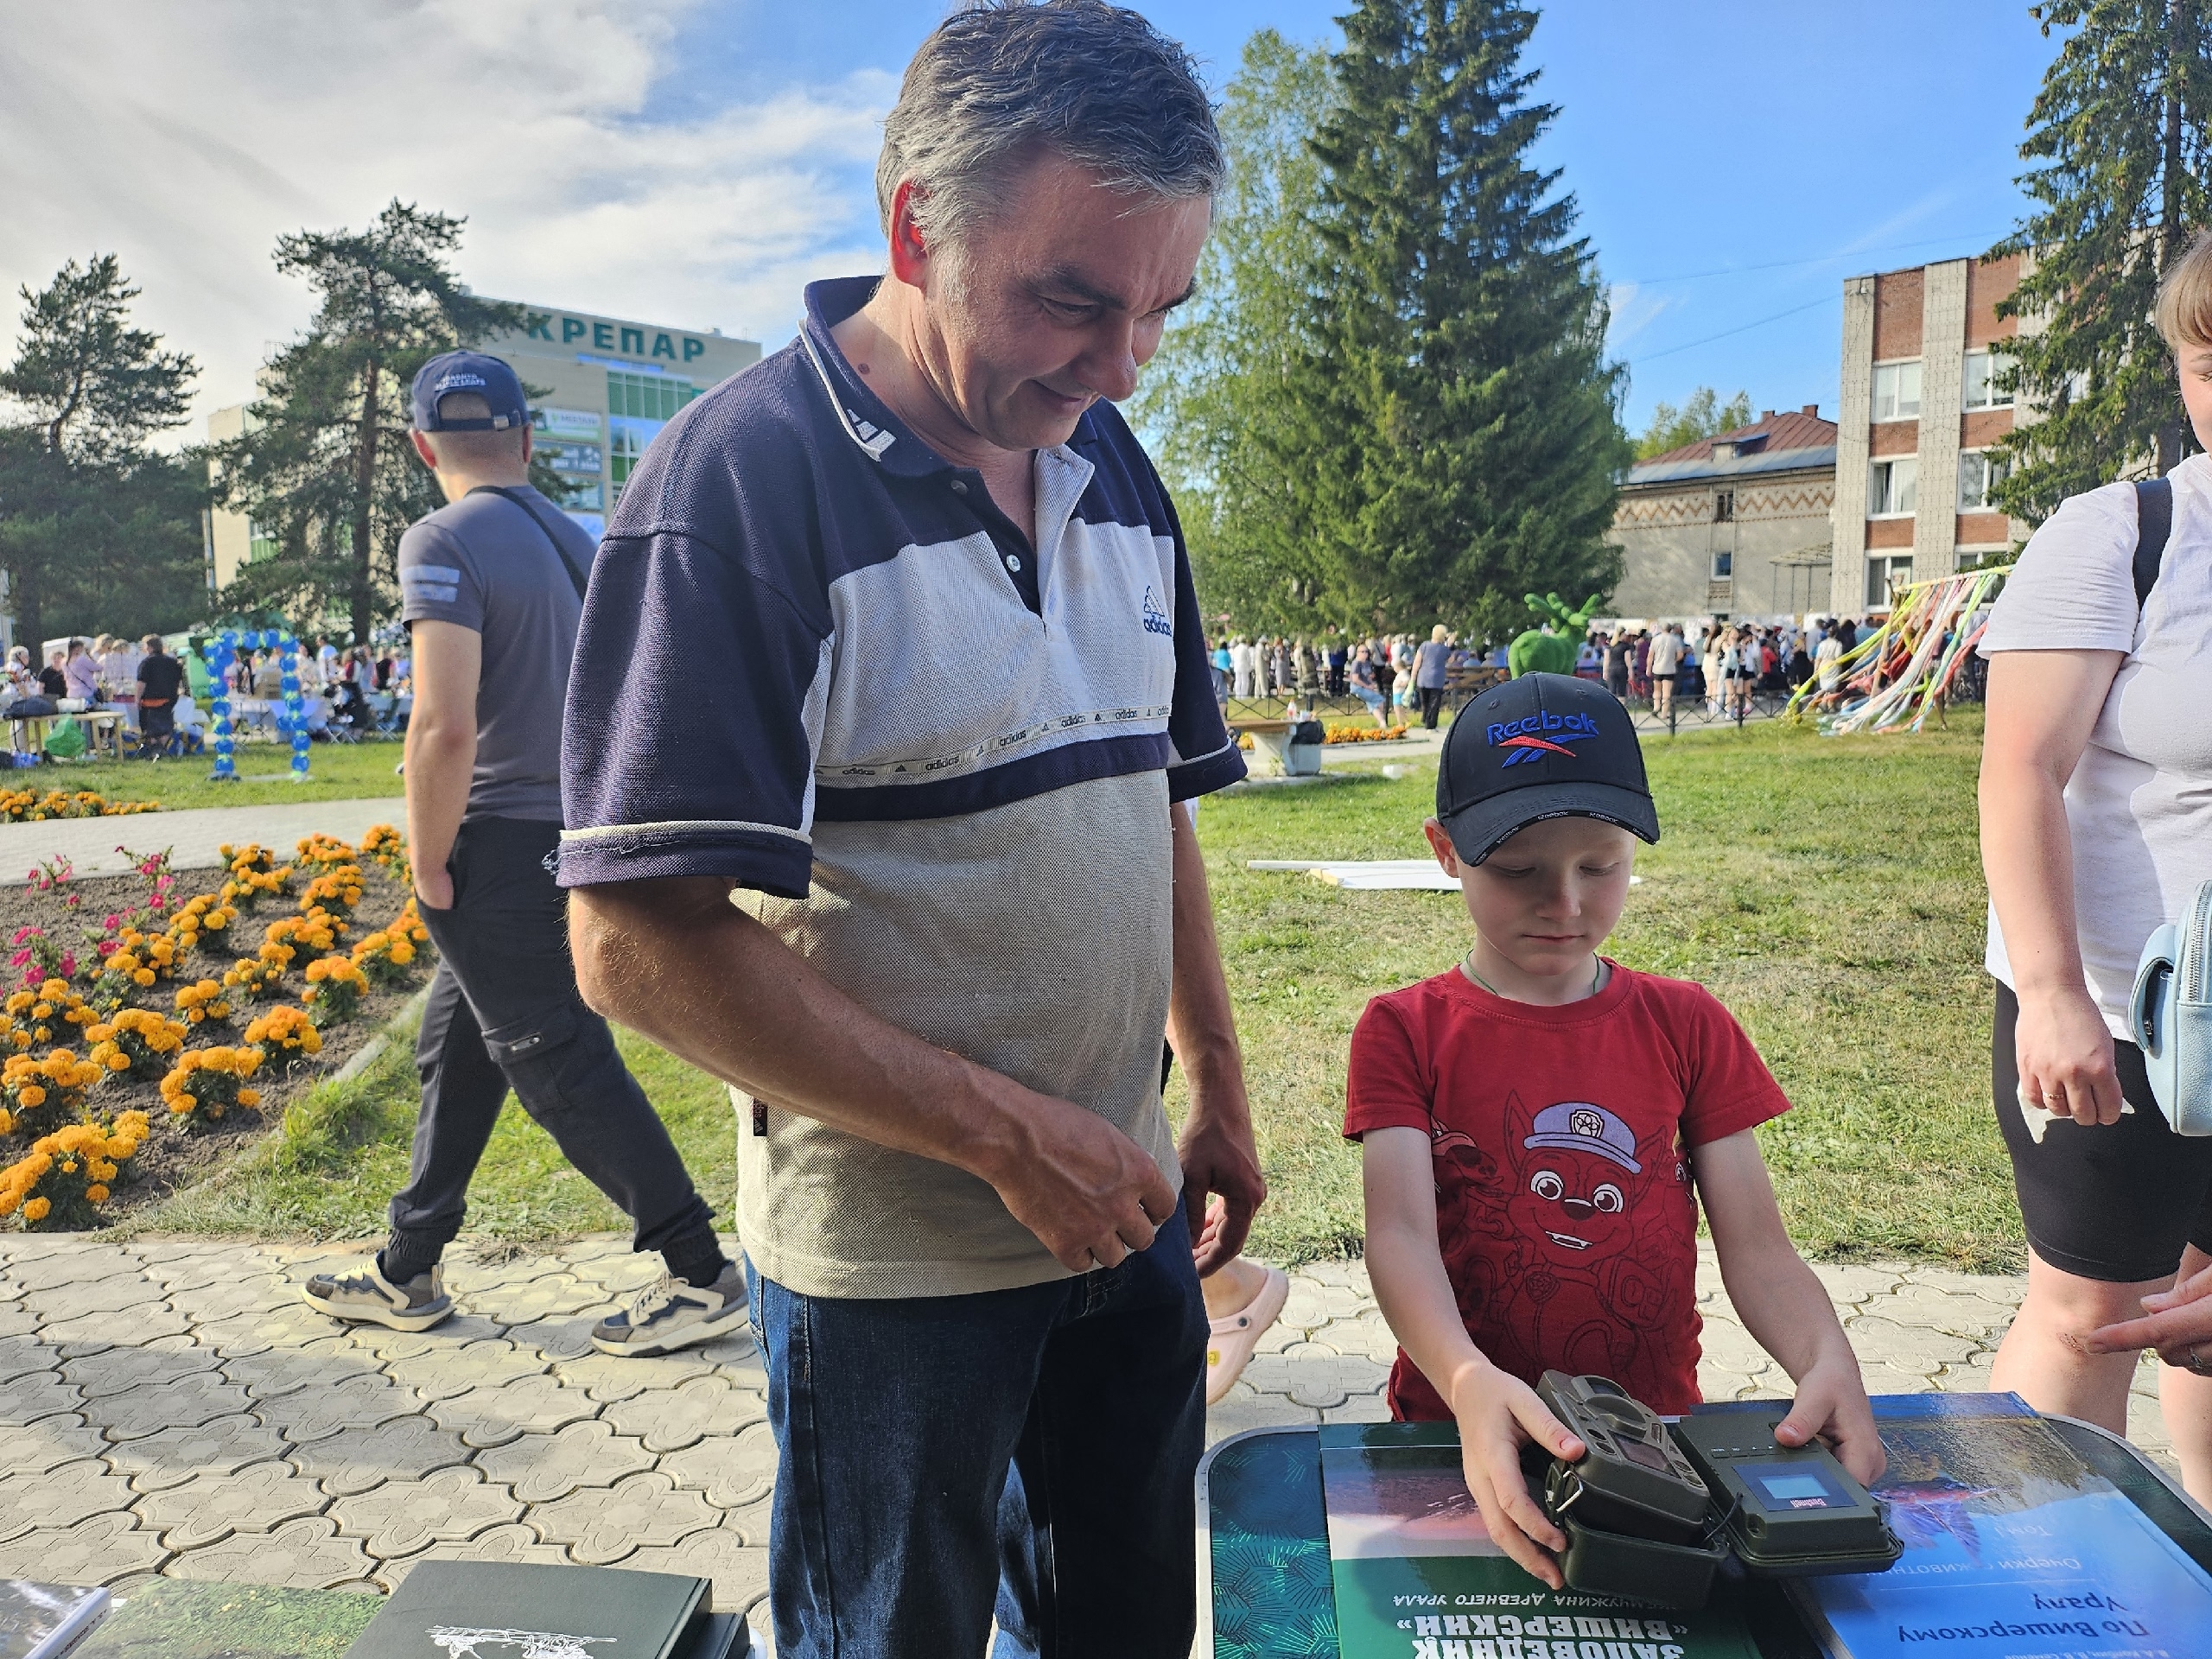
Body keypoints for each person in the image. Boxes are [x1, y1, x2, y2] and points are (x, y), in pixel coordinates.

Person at [553, 10, 1265, 1654]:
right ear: (914, 228)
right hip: (894, 1281)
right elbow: (630, 945)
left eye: (1162, 308)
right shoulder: (738, 486)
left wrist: (1212, 1081)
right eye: (1073, 299)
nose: (1120, 367)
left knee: (1123, 1630)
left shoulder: (1110, 459)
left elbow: (1145, 791)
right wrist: (1000, 1135)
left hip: (1129, 1205)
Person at [1348, 672, 1882, 1586]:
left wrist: (1825, 1356)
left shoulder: (1687, 1023)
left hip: (1653, 1455)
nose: (1564, 903)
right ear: (1444, 851)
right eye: (1518, 870)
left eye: (1599, 866)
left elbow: (1756, 1250)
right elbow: (1398, 1238)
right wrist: (1467, 1380)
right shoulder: (1404, 1031)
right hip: (1458, 1431)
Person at [300, 350, 743, 1357]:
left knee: (558, 1064)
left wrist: (425, 862)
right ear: (527, 440)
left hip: (495, 842)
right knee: (458, 1049)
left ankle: (699, 1274)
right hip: (572, 827)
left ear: (422, 447)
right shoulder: (571, 537)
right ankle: (407, 1268)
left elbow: (441, 727)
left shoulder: (440, 537)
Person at [1977, 232, 2212, 1503]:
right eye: (2204, 361)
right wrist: (2056, 991)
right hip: (2119, 1008)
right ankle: (2039, 1591)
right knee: (2091, 1312)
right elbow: (2020, 771)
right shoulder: (2127, 534)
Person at [135, 635, 184, 754]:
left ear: (150, 647)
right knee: (165, 725)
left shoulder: (147, 662)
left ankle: (154, 747)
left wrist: (137, 698)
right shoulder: (173, 662)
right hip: (169, 699)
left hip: (150, 700)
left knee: (148, 725)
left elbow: (141, 683)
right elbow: (179, 682)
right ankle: (162, 747)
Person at [1414, 623, 1452, 729]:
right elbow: (1451, 660)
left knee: (1424, 702)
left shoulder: (1424, 646)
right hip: (1437, 678)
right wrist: (1449, 645)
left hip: (1423, 677)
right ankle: (1431, 724)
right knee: (1434, 702)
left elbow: (1417, 662)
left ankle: (1425, 718)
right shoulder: (1444, 649)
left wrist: (1413, 676)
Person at [1645, 621, 1682, 719]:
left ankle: (1656, 708)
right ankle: (1664, 713)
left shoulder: (1655, 639)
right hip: (1669, 669)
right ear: (1671, 630)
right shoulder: (1675, 640)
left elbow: (1650, 655)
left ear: (1662, 629)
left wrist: (1648, 668)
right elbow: (1680, 655)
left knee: (1657, 690)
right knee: (1666, 692)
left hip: (1657, 668)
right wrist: (1674, 660)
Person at [1350, 643, 1389, 728]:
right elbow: (1355, 679)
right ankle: (1382, 721)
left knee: (1372, 703)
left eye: (1366, 652)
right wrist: (1367, 686)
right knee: (1380, 700)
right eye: (1362, 652)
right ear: (1357, 653)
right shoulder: (1356, 663)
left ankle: (1382, 722)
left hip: (1367, 687)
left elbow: (1368, 676)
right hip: (1358, 688)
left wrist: (1372, 684)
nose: (1365, 654)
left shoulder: (1367, 663)